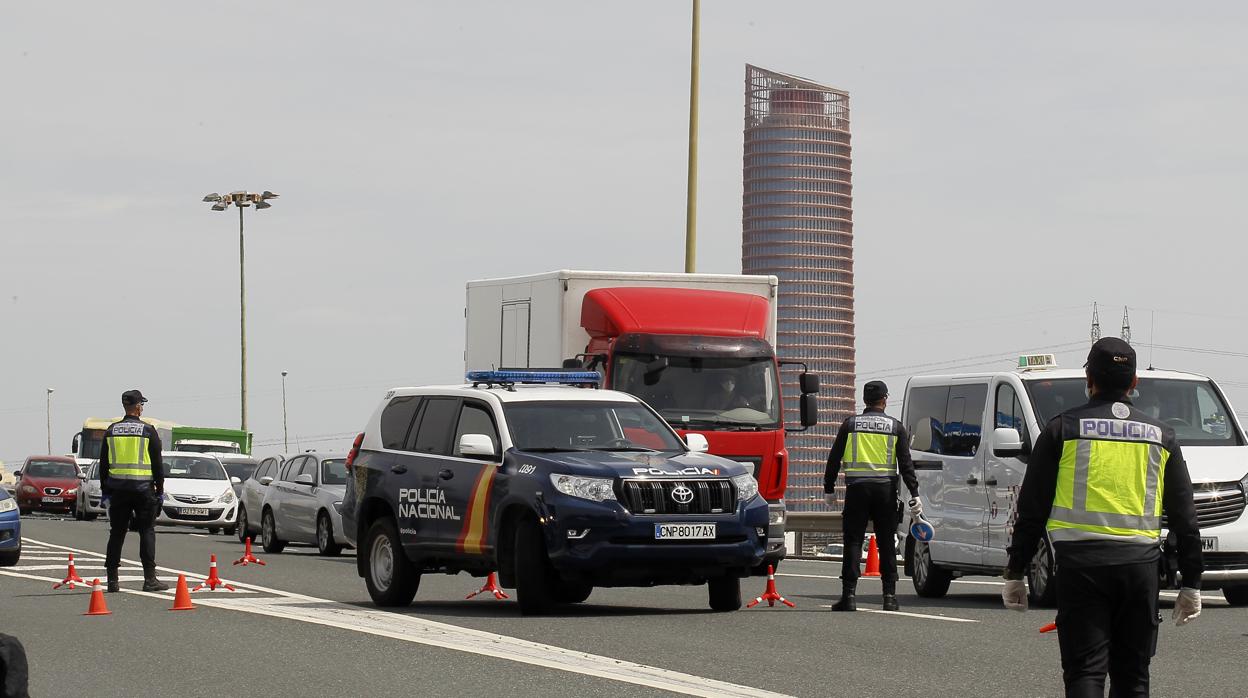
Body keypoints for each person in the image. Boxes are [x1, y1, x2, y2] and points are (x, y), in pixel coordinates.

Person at [1002, 338, 1203, 697]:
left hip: (1081, 568)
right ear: (1134, 383)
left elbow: (1032, 509)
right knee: (1134, 677)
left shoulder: (1062, 430)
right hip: (1140, 569)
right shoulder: (1162, 437)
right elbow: (1186, 517)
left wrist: (1016, 571)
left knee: (1085, 673)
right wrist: (1192, 582)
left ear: (1088, 378)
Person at [824, 380, 922, 612]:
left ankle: (849, 596)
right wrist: (915, 493)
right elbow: (905, 465)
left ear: (865, 400)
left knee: (854, 541)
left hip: (857, 490)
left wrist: (829, 489)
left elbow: (834, 459)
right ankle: (889, 597)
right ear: (885, 399)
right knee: (887, 542)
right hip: (885, 491)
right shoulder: (895, 427)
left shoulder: (850, 425)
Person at [99, 390, 169, 593]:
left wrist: (105, 492)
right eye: (142, 405)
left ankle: (112, 581)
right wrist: (160, 491)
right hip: (143, 490)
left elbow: (104, 464)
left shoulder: (111, 430)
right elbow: (157, 464)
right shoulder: (148, 431)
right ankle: (149, 579)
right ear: (138, 407)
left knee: (117, 533)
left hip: (118, 490)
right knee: (146, 531)